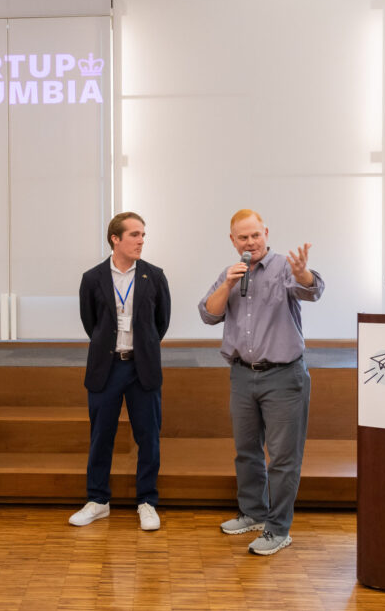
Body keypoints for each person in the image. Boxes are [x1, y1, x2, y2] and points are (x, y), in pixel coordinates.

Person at [198, 209, 324, 555]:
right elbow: (208, 313)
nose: (250, 242)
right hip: (242, 375)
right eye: (243, 237)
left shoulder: (285, 267)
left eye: (256, 235)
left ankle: (278, 529)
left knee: (283, 458)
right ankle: (254, 512)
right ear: (233, 240)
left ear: (266, 232)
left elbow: (312, 290)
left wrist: (303, 272)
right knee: (247, 451)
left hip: (283, 377)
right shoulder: (231, 274)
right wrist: (227, 284)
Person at [70, 212, 171, 531]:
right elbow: (91, 323)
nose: (141, 240)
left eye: (143, 235)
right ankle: (98, 500)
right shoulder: (92, 278)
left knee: (148, 437)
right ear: (115, 239)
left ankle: (147, 502)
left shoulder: (154, 276)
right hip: (107, 367)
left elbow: (161, 323)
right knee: (101, 436)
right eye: (134, 235)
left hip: (143, 368)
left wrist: (141, 347)